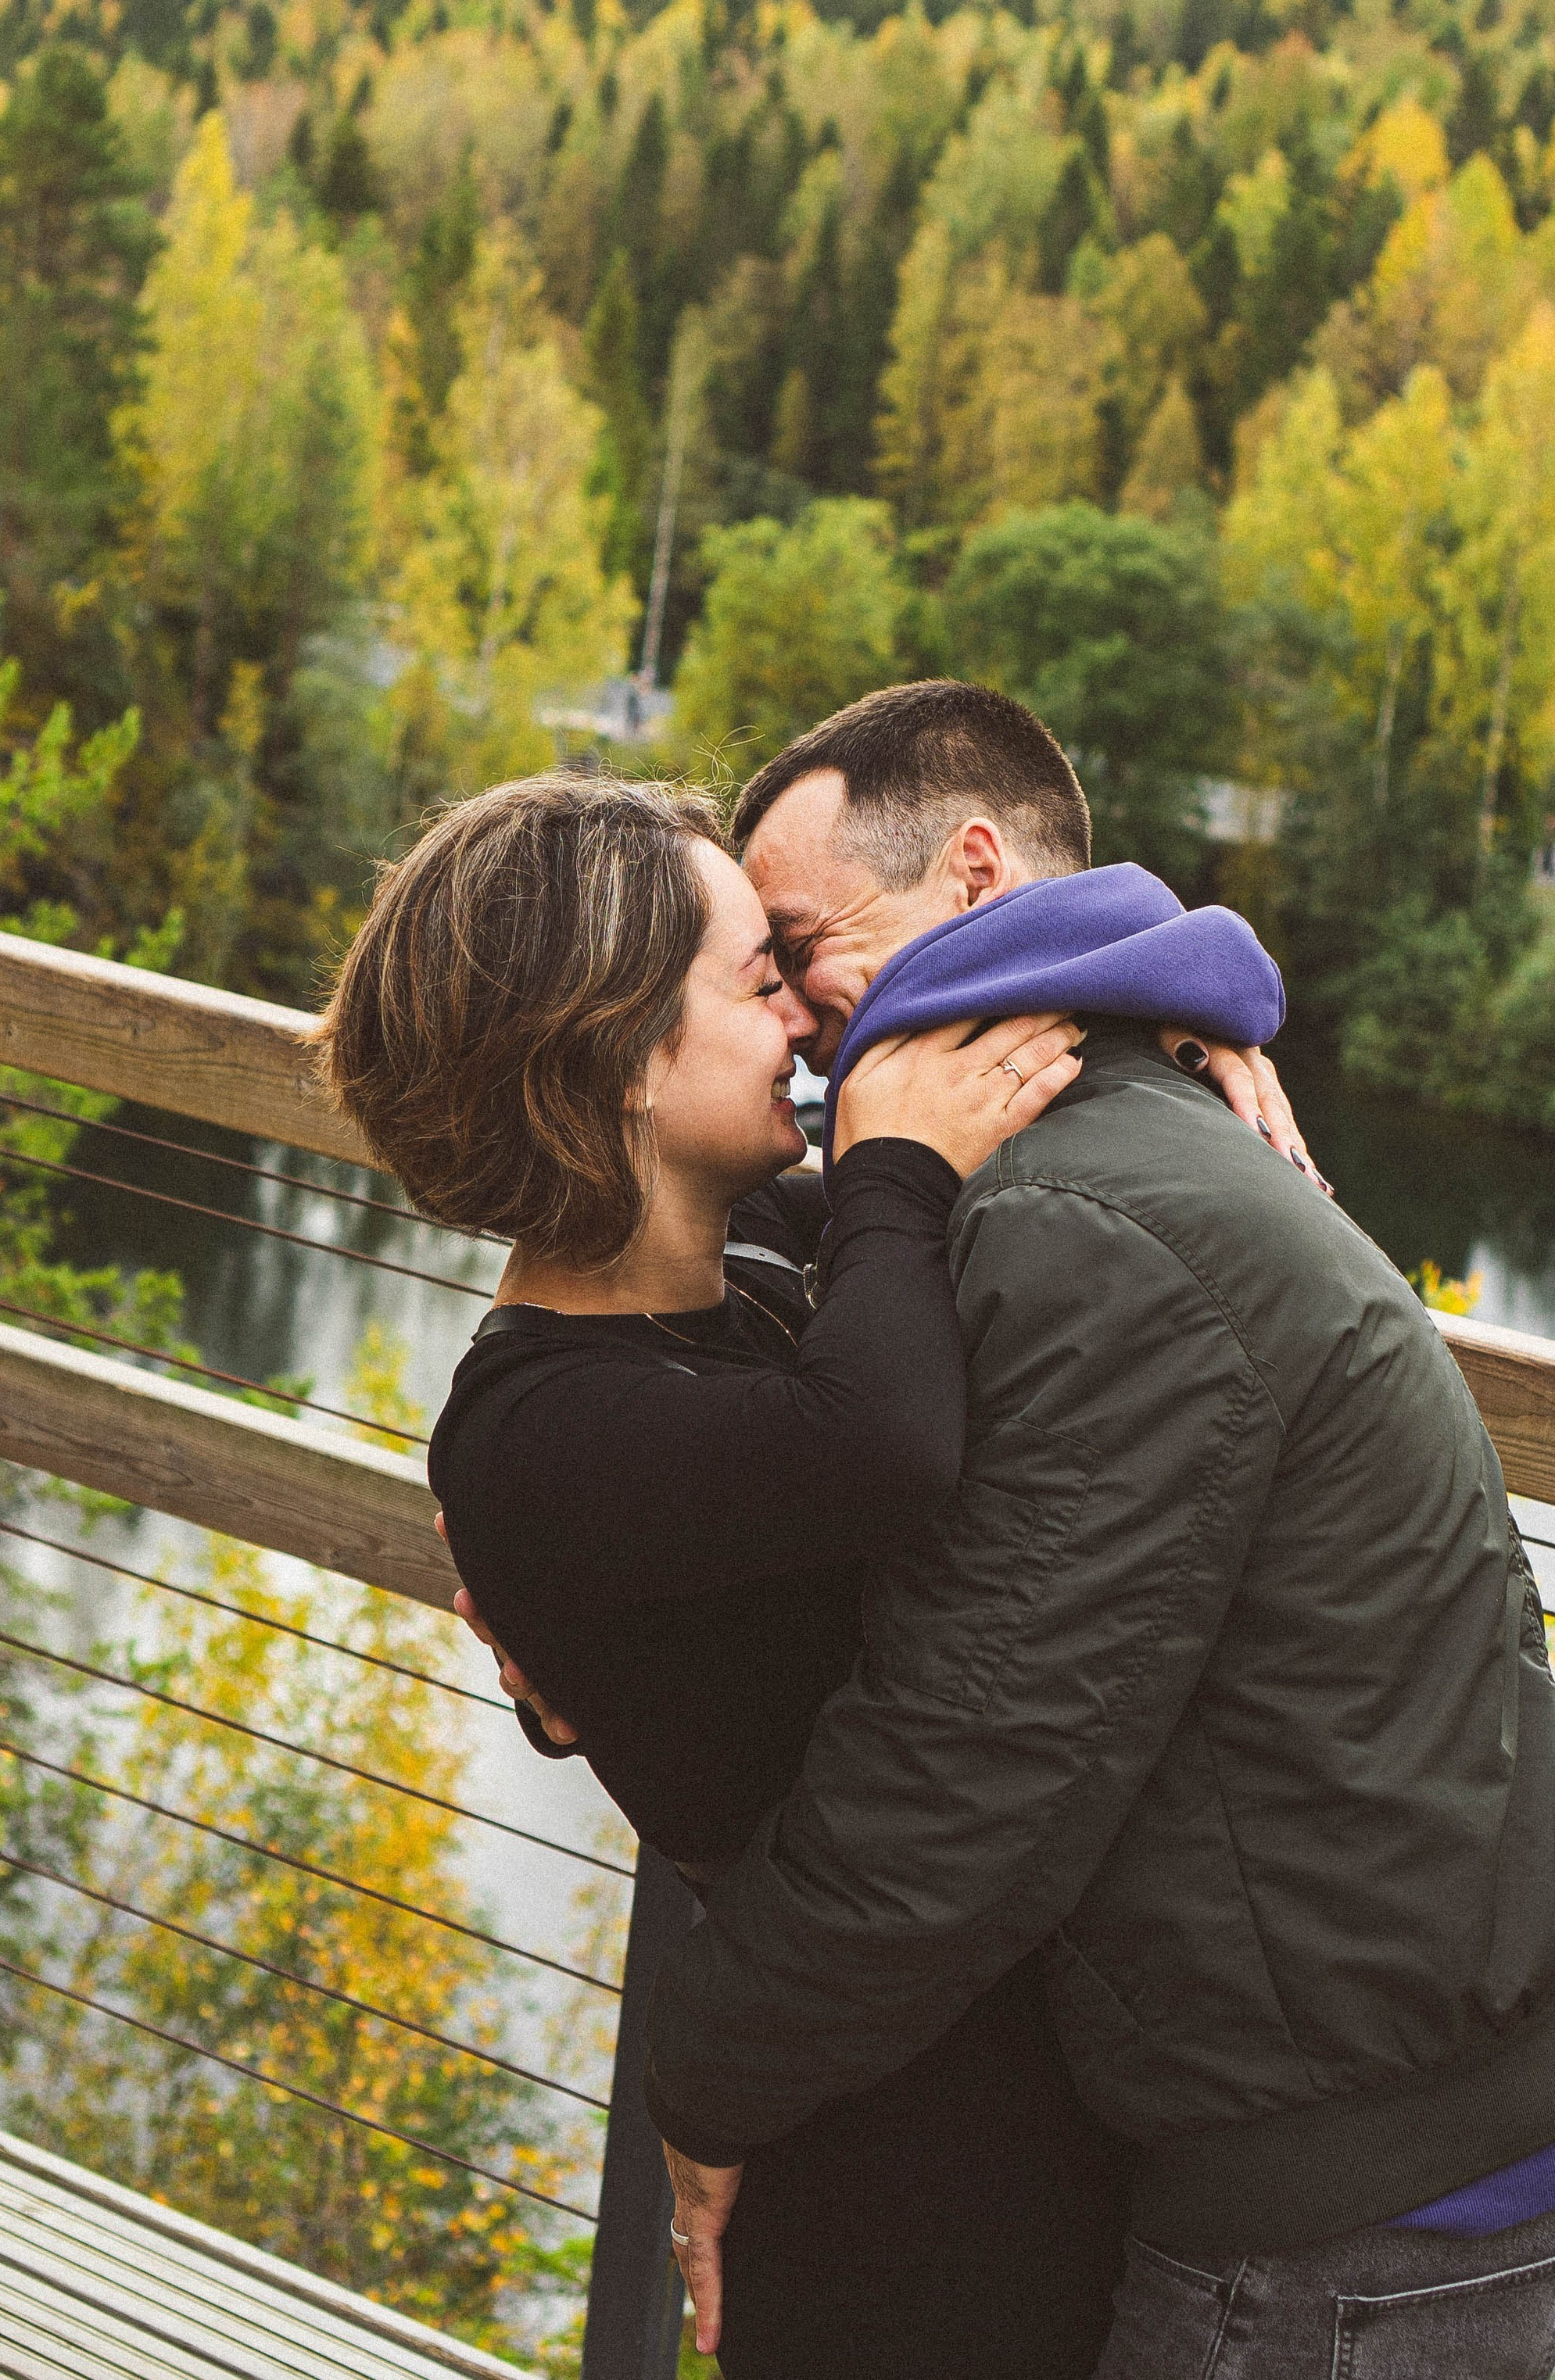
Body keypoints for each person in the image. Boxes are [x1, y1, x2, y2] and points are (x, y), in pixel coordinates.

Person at [627, 682, 1555, 2380]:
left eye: (800, 946)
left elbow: (969, 1761)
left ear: (969, 871)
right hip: (1396, 2088)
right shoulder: (1115, 1143)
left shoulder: (1089, 1220)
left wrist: (707, 2074)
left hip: (1361, 2178)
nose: (792, 1021)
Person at [314, 768, 1290, 2380]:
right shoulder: (534, 1428)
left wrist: (1173, 1051)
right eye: (757, 981)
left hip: (1007, 2086)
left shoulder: (751, 1254)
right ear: (625, 1055)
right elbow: (881, 1441)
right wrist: (896, 1167)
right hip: (886, 2178)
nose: (807, 1027)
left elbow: (979, 1177)